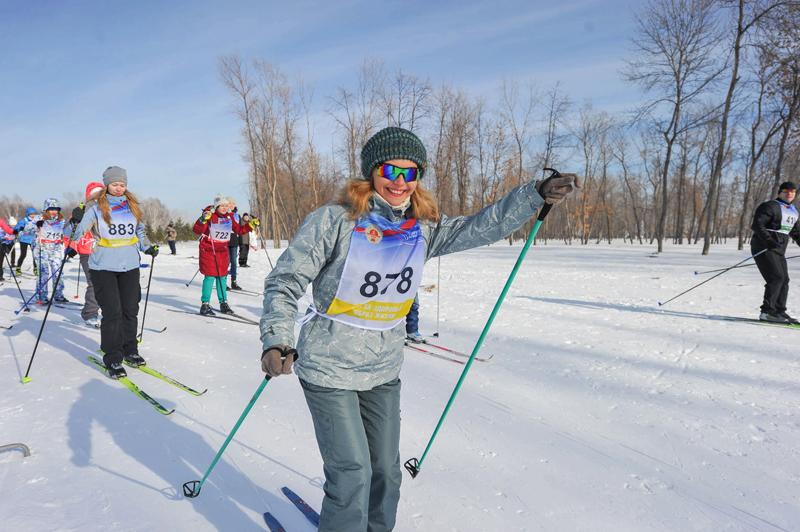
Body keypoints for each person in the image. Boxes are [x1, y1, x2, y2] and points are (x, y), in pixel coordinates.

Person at [259, 126, 580, 531]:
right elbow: (284, 281)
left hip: (383, 370)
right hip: (329, 368)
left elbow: (481, 226)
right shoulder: (334, 221)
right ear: (371, 172)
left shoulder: (421, 226)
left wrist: (534, 194)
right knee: (352, 473)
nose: (399, 182)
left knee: (387, 475)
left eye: (410, 173)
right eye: (391, 170)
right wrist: (277, 339)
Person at [67, 166, 158, 378]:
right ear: (107, 185)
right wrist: (74, 222)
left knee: (130, 310)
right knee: (113, 313)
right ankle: (113, 358)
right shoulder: (96, 209)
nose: (119, 188)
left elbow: (140, 231)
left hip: (130, 266)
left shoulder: (132, 207)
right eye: (115, 184)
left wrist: (148, 247)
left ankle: (130, 350)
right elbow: (77, 233)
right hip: (103, 267)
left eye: (122, 185)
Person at [192, 195, 255, 315]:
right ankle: (205, 304)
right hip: (209, 250)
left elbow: (239, 230)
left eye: (227, 206)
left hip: (222, 251)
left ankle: (223, 303)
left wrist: (250, 226)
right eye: (222, 206)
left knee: (222, 277)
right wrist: (203, 219)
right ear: (217, 207)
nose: (225, 208)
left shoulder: (230, 217)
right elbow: (196, 230)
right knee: (210, 277)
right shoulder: (210, 215)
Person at [751, 181, 800, 323]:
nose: (790, 193)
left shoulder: (793, 210)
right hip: (764, 246)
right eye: (786, 191)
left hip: (778, 249)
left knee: (784, 279)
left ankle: (779, 311)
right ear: (780, 192)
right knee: (776, 277)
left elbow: (796, 232)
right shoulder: (770, 206)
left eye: (793, 191)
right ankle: (767, 312)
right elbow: (757, 224)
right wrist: (769, 241)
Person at [69, 181, 105, 329]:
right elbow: (71, 230)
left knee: (106, 283)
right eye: (94, 193)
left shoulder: (107, 209)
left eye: (100, 193)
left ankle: (109, 311)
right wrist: (72, 246)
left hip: (104, 251)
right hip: (87, 251)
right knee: (94, 282)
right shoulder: (83, 210)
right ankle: (90, 313)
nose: (97, 196)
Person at [35, 198, 69, 304]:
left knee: (58, 272)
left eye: (56, 209)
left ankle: (58, 295)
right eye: (51, 209)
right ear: (46, 210)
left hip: (56, 249)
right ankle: (42, 296)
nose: (54, 211)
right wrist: (36, 225)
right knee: (44, 273)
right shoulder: (39, 219)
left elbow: (69, 232)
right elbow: (26, 231)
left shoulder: (62, 222)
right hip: (42, 249)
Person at [14, 207, 39, 275]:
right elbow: (17, 227)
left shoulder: (36, 221)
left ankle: (36, 269)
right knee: (23, 255)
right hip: (24, 239)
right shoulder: (24, 220)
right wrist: (19, 229)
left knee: (35, 255)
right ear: (28, 214)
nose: (33, 215)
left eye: (34, 214)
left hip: (33, 239)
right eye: (31, 214)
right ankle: (18, 268)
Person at [227, 201, 242, 290]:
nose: (231, 205)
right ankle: (223, 282)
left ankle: (234, 282)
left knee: (234, 262)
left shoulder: (237, 215)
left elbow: (239, 229)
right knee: (226, 262)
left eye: (232, 204)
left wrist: (241, 243)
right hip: (225, 241)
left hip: (234, 241)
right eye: (229, 204)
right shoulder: (224, 214)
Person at [0, 217, 15, 281]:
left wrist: (15, 233)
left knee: (0, 260)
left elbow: (8, 231)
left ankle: (0, 276)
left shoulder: (1, 221)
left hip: (1, 243)